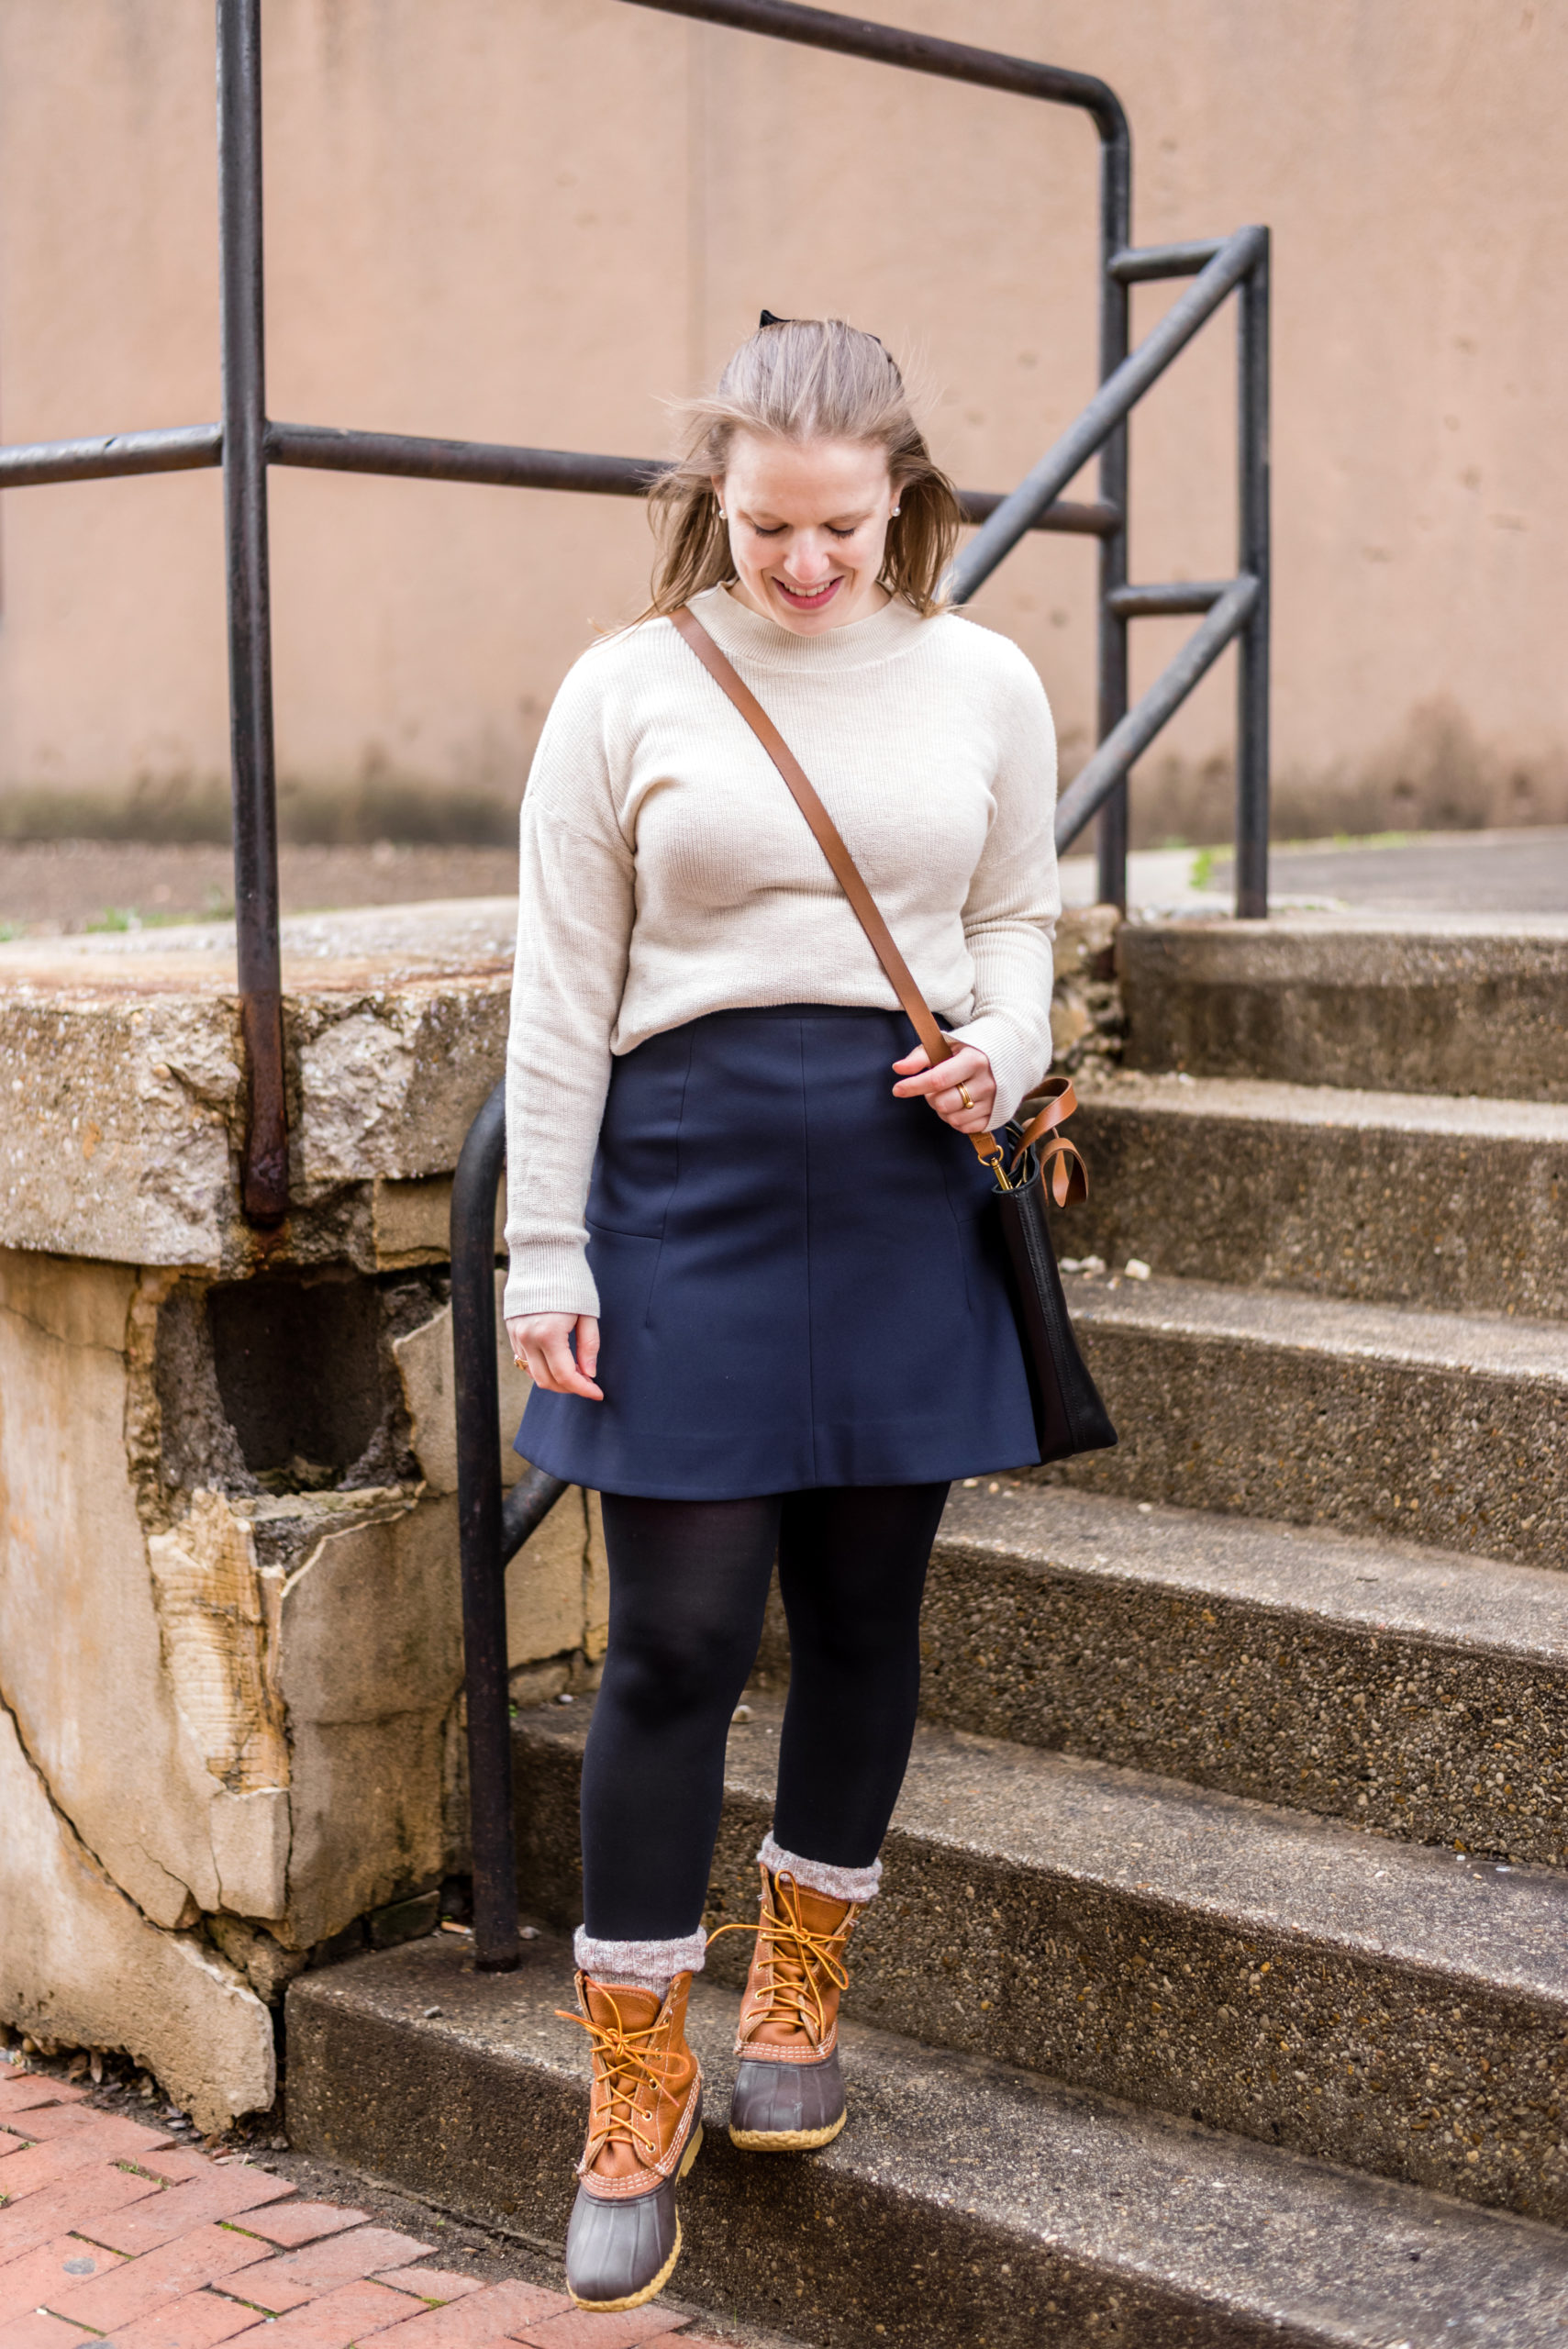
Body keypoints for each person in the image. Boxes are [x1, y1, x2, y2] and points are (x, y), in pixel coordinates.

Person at [502, 313, 1059, 2312]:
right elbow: (562, 989)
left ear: (899, 496)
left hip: (904, 1184)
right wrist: (542, 1253)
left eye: (838, 529)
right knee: (670, 1636)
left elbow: (1016, 917)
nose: (803, 567)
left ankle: (798, 1992)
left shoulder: (985, 674)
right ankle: (631, 2080)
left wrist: (1003, 1040)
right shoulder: (624, 687)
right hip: (682, 1192)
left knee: (865, 1617)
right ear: (711, 502)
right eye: (763, 531)